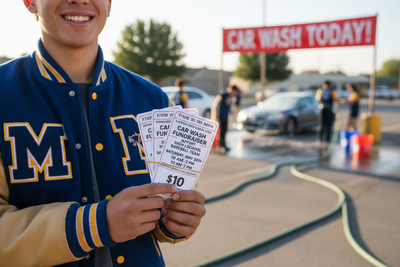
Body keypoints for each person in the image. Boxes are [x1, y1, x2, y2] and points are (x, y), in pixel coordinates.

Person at [0, 1, 205, 266]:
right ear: (30, 2)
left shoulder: (153, 99)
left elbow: (167, 204)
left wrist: (174, 221)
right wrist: (93, 226)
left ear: (109, 4)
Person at [211, 85, 240, 153]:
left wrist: (231, 112)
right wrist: (216, 113)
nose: (234, 93)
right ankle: (220, 145)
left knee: (225, 130)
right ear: (231, 89)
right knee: (221, 131)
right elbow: (216, 104)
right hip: (221, 115)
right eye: (234, 91)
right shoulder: (223, 94)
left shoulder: (229, 96)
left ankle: (224, 145)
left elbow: (228, 105)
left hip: (225, 115)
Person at [315, 80, 338, 145]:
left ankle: (321, 139)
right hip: (328, 108)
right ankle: (325, 139)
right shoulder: (331, 90)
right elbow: (335, 99)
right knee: (327, 124)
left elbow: (318, 99)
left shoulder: (320, 90)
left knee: (323, 124)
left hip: (323, 108)